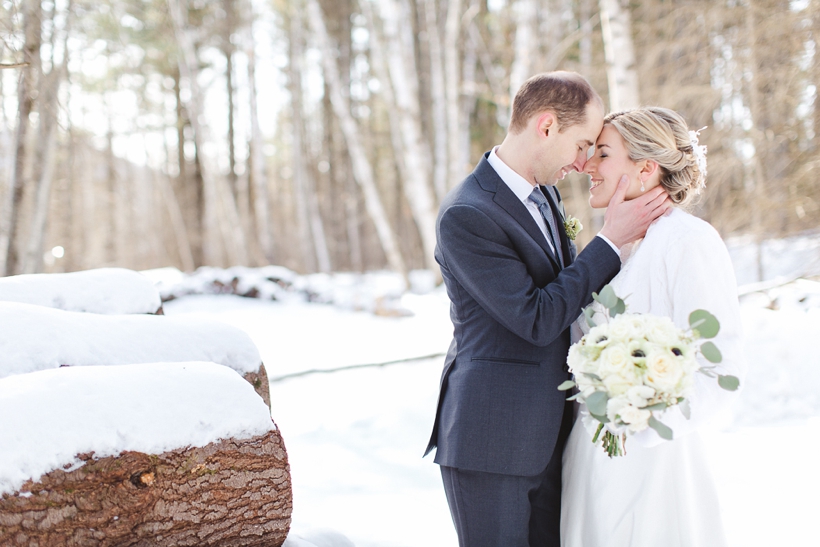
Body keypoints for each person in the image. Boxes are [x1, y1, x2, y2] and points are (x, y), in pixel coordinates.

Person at [423, 71, 671, 547]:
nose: (583, 164)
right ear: (546, 126)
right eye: (582, 145)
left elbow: (570, 293)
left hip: (550, 435)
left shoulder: (546, 196)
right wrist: (611, 242)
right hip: (491, 443)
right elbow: (535, 317)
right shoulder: (468, 213)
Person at [561, 107, 747, 546]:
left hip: (660, 467)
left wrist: (643, 420)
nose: (588, 165)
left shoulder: (689, 241)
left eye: (603, 154)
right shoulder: (608, 247)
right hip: (589, 461)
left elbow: (723, 370)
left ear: (646, 168)